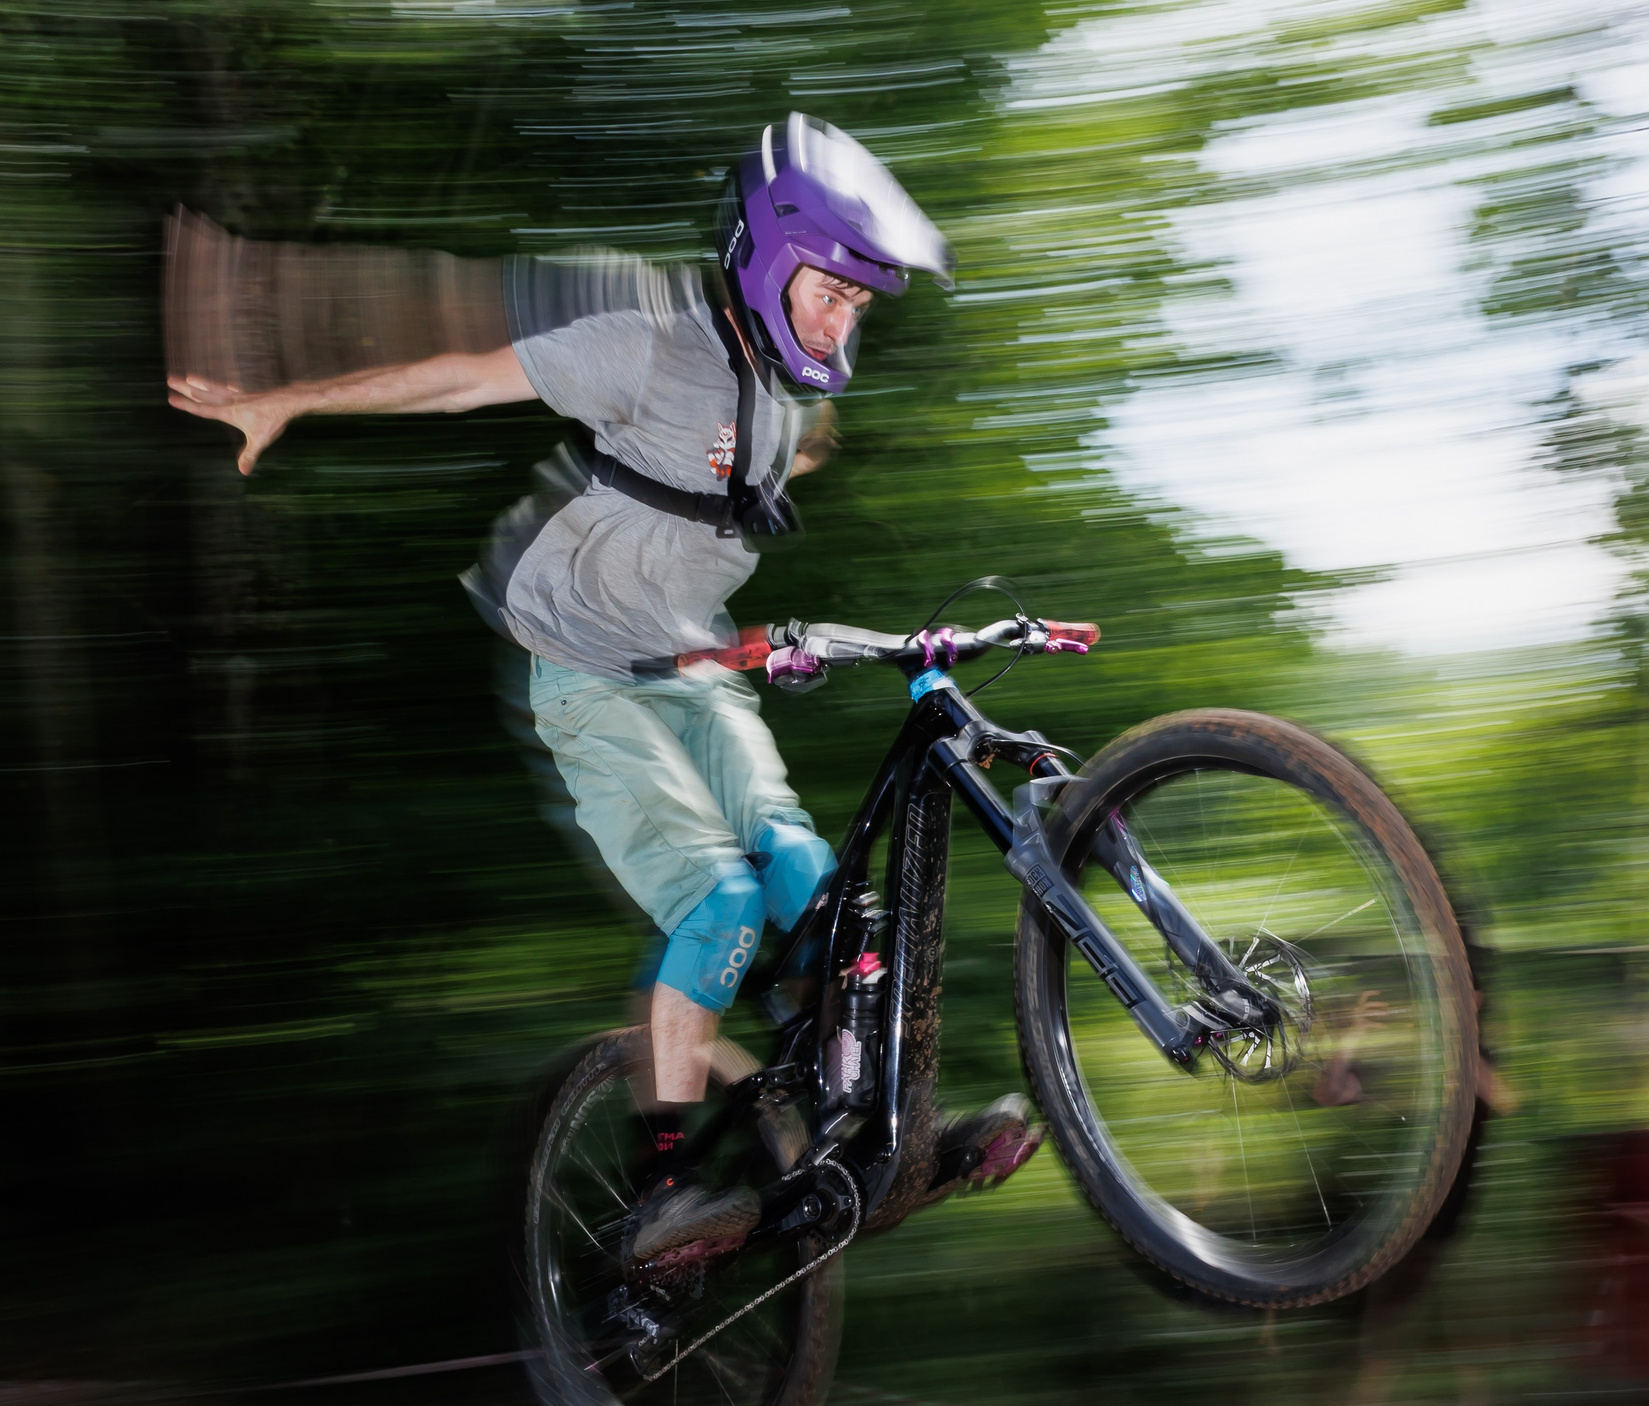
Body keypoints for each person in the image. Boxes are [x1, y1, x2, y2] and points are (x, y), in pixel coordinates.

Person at [168, 114, 1033, 1261]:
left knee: (811, 884)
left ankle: (869, 1126)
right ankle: (660, 1185)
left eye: (858, 305)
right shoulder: (647, 345)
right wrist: (289, 401)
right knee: (718, 904)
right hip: (583, 672)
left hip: (696, 665)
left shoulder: (786, 394)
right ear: (771, 264)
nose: (841, 320)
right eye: (831, 293)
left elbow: (773, 456)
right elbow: (459, 383)